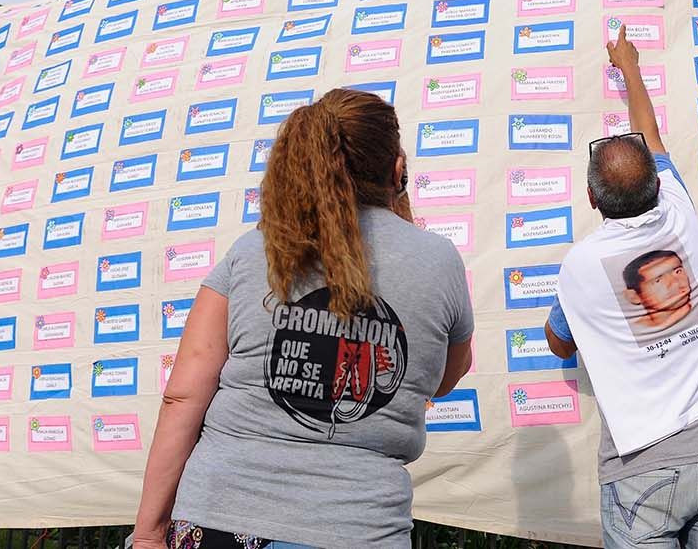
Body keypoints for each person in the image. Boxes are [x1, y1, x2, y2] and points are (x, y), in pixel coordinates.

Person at [134, 88, 475, 549]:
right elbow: (442, 379)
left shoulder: (252, 251)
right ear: (397, 169)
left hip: (219, 516)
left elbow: (183, 396)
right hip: (359, 530)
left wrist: (149, 532)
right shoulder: (438, 262)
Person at [543, 26, 698, 548]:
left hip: (639, 470)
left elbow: (557, 341)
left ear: (593, 202)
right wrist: (630, 67)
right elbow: (653, 139)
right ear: (660, 185)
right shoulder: (683, 213)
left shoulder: (581, 265)